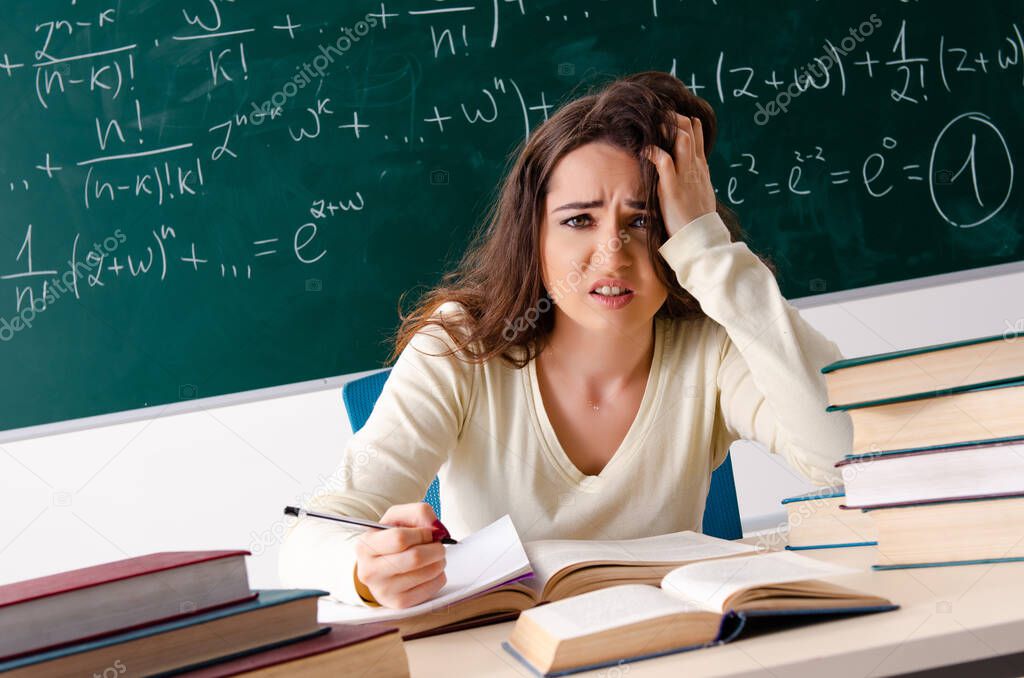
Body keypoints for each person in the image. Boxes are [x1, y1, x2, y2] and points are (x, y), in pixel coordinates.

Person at [278, 71, 852, 610]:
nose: (612, 254)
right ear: (533, 236)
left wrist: (710, 251)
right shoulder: (458, 348)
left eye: (643, 220)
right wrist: (361, 568)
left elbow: (848, 458)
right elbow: (311, 539)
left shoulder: (715, 347)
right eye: (579, 220)